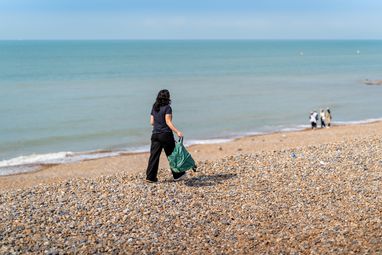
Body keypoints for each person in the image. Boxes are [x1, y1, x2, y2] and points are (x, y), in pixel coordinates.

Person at [145, 89, 187, 183]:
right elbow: (168, 122)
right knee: (172, 155)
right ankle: (178, 175)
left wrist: (158, 124)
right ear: (168, 97)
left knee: (154, 156)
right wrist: (177, 132)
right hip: (166, 135)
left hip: (155, 135)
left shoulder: (154, 107)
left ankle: (150, 178)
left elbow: (151, 122)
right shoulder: (167, 108)